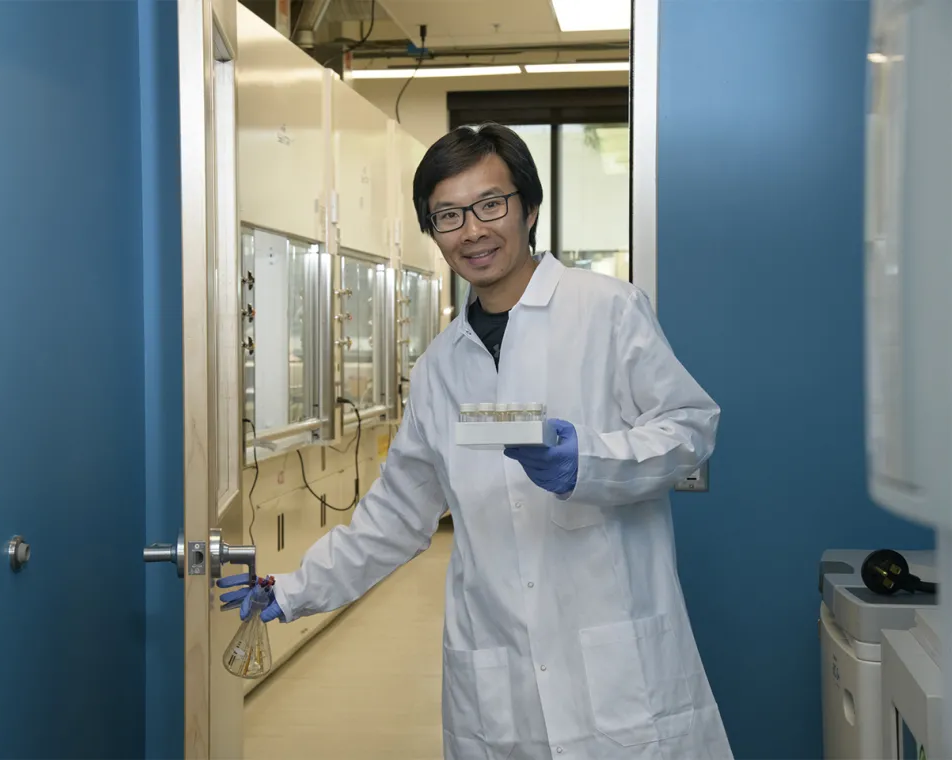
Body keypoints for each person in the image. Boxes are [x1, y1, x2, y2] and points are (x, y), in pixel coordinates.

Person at [218, 123, 733, 760]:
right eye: (448, 215)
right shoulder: (441, 366)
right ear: (434, 233)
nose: (473, 230)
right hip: (499, 669)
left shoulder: (607, 310)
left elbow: (690, 427)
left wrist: (592, 462)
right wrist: (294, 588)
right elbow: (396, 516)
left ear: (530, 208)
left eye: (491, 204)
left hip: (615, 661)